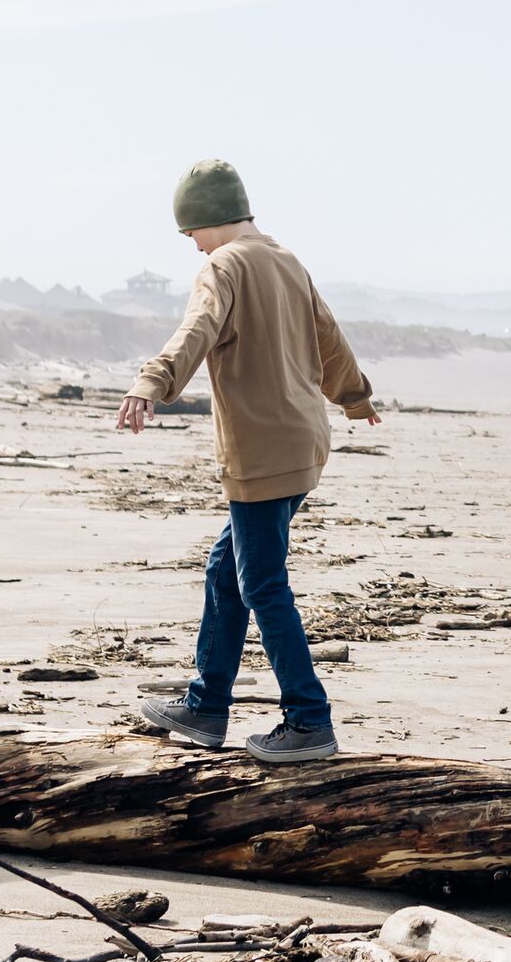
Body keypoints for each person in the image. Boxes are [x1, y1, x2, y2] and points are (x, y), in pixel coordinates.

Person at [118, 158, 377, 760]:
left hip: (260, 451)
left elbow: (196, 330)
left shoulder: (223, 265)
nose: (191, 245)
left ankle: (309, 720)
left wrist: (149, 383)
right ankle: (206, 707)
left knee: (261, 582)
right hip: (303, 443)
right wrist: (355, 396)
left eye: (190, 233)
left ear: (208, 220)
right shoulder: (287, 260)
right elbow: (330, 337)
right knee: (226, 568)